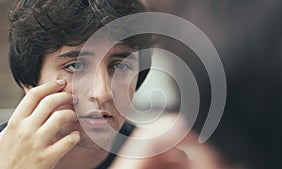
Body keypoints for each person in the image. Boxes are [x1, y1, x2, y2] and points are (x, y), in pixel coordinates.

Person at [0, 0, 225, 168]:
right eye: (75, 66)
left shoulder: (162, 160)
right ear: (28, 81)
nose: (103, 92)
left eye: (119, 66)